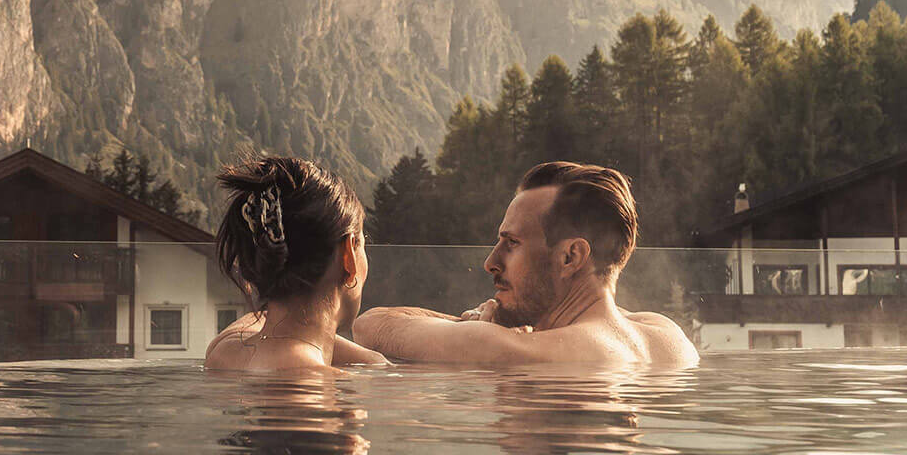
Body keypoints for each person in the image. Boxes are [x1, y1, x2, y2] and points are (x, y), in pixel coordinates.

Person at [352, 162, 698, 367]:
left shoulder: (520, 352)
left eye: (512, 243)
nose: (491, 262)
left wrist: (475, 325)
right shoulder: (667, 337)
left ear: (570, 257)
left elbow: (371, 326)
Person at [205, 156, 388, 371]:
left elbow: (255, 325)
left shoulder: (223, 353)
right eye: (362, 243)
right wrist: (378, 361)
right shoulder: (328, 391)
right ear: (348, 258)